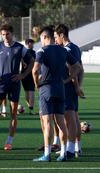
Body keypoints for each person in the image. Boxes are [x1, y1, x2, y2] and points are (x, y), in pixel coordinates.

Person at [0, 24, 34, 151]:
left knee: (13, 113)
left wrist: (23, 75)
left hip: (14, 85)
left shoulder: (20, 48)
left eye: (7, 34)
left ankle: (9, 142)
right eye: (3, 35)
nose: (5, 37)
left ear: (12, 34)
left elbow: (31, 62)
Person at [32, 26, 82, 162]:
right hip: (61, 89)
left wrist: (37, 84)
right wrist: (66, 79)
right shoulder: (63, 50)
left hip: (46, 89)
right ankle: (63, 153)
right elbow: (77, 66)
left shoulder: (42, 51)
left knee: (47, 121)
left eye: (41, 38)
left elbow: (35, 70)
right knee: (61, 122)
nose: (40, 41)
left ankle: (47, 154)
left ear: (45, 37)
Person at [54, 24, 84, 158]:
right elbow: (81, 68)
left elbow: (73, 69)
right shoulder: (76, 47)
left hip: (68, 88)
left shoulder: (66, 49)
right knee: (74, 118)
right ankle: (76, 147)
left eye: (56, 37)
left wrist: (74, 84)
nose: (55, 40)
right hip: (73, 87)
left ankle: (70, 149)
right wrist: (78, 86)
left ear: (62, 35)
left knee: (69, 119)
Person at [22, 38, 36, 115]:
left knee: (31, 91)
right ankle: (30, 107)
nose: (32, 45)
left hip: (29, 75)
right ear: (27, 44)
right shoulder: (25, 52)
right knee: (27, 92)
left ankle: (31, 108)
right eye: (31, 43)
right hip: (25, 74)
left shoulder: (33, 52)